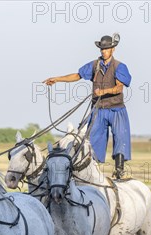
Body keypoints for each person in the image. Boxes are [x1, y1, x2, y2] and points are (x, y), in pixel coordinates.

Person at [43, 34, 132, 179]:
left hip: (116, 109)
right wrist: (57, 79)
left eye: (107, 48)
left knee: (121, 137)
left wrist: (103, 91)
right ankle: (94, 171)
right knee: (94, 139)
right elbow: (77, 75)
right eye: (102, 49)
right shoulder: (94, 65)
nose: (104, 51)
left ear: (113, 49)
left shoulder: (120, 67)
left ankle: (119, 170)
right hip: (98, 109)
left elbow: (119, 88)